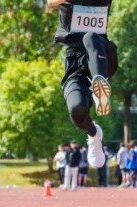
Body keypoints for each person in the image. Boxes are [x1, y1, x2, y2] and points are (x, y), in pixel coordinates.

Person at [47, 0, 118, 169]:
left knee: (91, 36)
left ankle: (99, 86)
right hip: (74, 64)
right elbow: (51, 2)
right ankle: (94, 134)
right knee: (76, 110)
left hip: (102, 55)